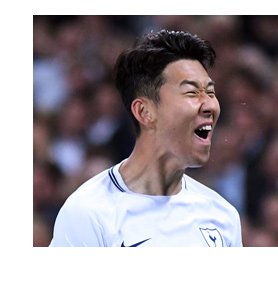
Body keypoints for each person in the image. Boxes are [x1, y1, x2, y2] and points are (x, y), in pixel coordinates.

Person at [49, 29, 243, 247]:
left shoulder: (223, 217)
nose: (209, 105)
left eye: (210, 92)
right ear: (144, 112)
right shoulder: (88, 213)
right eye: (191, 92)